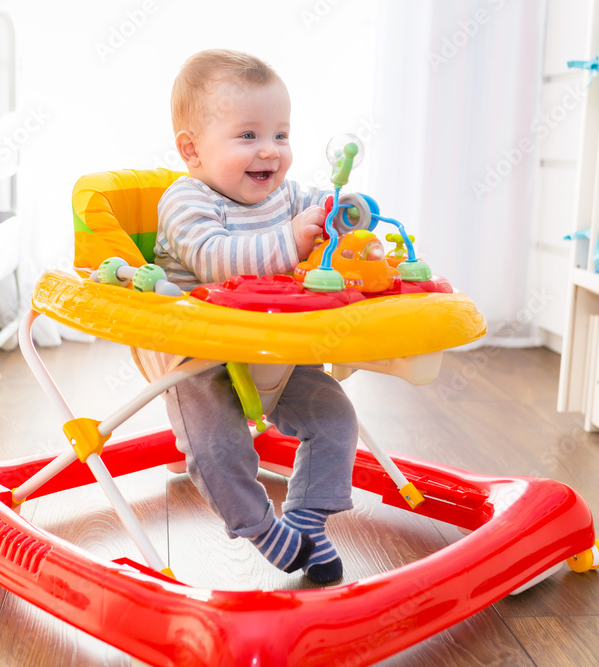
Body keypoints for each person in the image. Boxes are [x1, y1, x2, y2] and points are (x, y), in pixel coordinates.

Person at [153, 49, 359, 584]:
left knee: (334, 417)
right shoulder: (186, 200)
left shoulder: (286, 195)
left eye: (280, 135)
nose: (269, 150)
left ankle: (308, 520)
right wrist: (291, 240)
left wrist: (347, 212)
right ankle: (263, 530)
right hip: (196, 352)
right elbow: (214, 259)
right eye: (248, 136)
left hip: (274, 346)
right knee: (216, 444)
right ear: (192, 150)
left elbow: (322, 206)